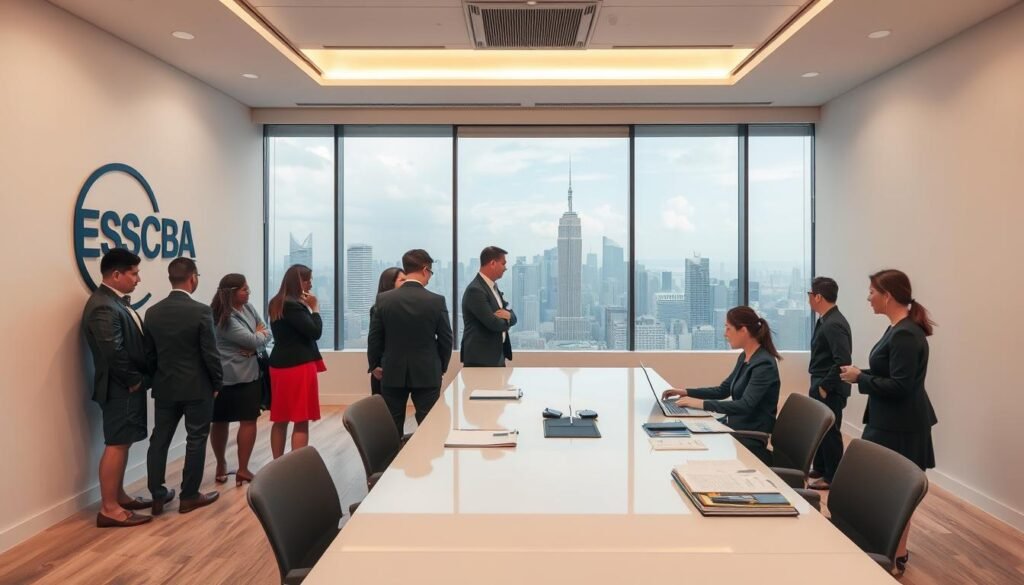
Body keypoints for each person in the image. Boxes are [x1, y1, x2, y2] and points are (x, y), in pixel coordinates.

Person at [840, 269, 937, 572]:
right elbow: (891, 376)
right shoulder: (898, 328)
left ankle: (895, 554)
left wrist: (860, 378)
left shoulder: (906, 333)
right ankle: (893, 551)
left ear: (888, 295)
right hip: (889, 420)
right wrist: (863, 375)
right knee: (884, 489)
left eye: (871, 291)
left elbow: (901, 386)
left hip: (900, 425)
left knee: (894, 490)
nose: (868, 297)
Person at [81, 248, 157, 527]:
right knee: (116, 444)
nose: (138, 279)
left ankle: (119, 496)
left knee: (122, 443)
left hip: (125, 387)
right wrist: (134, 381)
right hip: (119, 388)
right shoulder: (102, 305)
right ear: (116, 275)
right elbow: (112, 351)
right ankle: (109, 509)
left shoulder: (113, 301)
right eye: (134, 273)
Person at [145, 258, 223, 515]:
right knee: (196, 439)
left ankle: (157, 495)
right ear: (192, 278)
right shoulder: (201, 311)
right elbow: (210, 353)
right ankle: (189, 496)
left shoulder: (152, 312)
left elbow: (150, 355)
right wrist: (217, 382)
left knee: (159, 440)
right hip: (197, 387)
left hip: (165, 386)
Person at [662, 306, 782, 463]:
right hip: (734, 427)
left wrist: (701, 404)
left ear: (743, 330)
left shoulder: (763, 364)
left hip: (748, 437)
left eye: (728, 328)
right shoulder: (746, 357)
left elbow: (745, 405)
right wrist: (686, 392)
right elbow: (723, 390)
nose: (725, 334)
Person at [367, 249, 453, 434]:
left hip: (392, 371)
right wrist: (441, 366)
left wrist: (374, 364)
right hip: (427, 371)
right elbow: (446, 339)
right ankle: (427, 459)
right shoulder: (436, 301)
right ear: (425, 269)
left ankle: (392, 461)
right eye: (430, 272)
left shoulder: (384, 299)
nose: (429, 277)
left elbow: (375, 337)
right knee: (429, 425)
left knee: (392, 424)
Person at [209, 273, 271, 486]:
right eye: (244, 289)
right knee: (219, 422)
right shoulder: (222, 317)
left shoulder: (249, 308)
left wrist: (257, 338)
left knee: (248, 420)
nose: (249, 292)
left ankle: (243, 468)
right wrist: (256, 338)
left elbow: (263, 332)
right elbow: (253, 339)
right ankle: (221, 463)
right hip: (226, 377)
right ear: (231, 293)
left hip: (249, 374)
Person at [267, 264, 325, 459]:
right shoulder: (293, 305)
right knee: (301, 419)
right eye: (307, 279)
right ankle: (296, 466)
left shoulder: (276, 302)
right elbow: (314, 332)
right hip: (298, 365)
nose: (310, 283)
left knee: (281, 418)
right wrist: (315, 308)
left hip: (279, 365)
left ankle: (278, 463)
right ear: (297, 281)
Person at [806, 276, 852, 490]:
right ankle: (822, 467)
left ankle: (832, 476)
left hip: (830, 386)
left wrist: (825, 386)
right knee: (821, 428)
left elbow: (842, 360)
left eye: (810, 294)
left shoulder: (834, 323)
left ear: (818, 297)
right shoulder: (825, 319)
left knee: (831, 431)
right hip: (820, 382)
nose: (808, 298)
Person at [460, 246, 517, 367]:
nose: (505, 268)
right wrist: (508, 319)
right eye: (503, 264)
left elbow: (512, 314)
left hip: (496, 356)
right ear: (492, 263)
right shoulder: (475, 290)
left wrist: (509, 316)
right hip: (481, 360)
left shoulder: (493, 288)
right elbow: (493, 324)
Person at [368, 267, 406, 395]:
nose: (407, 283)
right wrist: (374, 366)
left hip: (402, 366)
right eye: (402, 280)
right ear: (390, 284)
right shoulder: (378, 308)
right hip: (383, 368)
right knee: (382, 409)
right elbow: (374, 339)